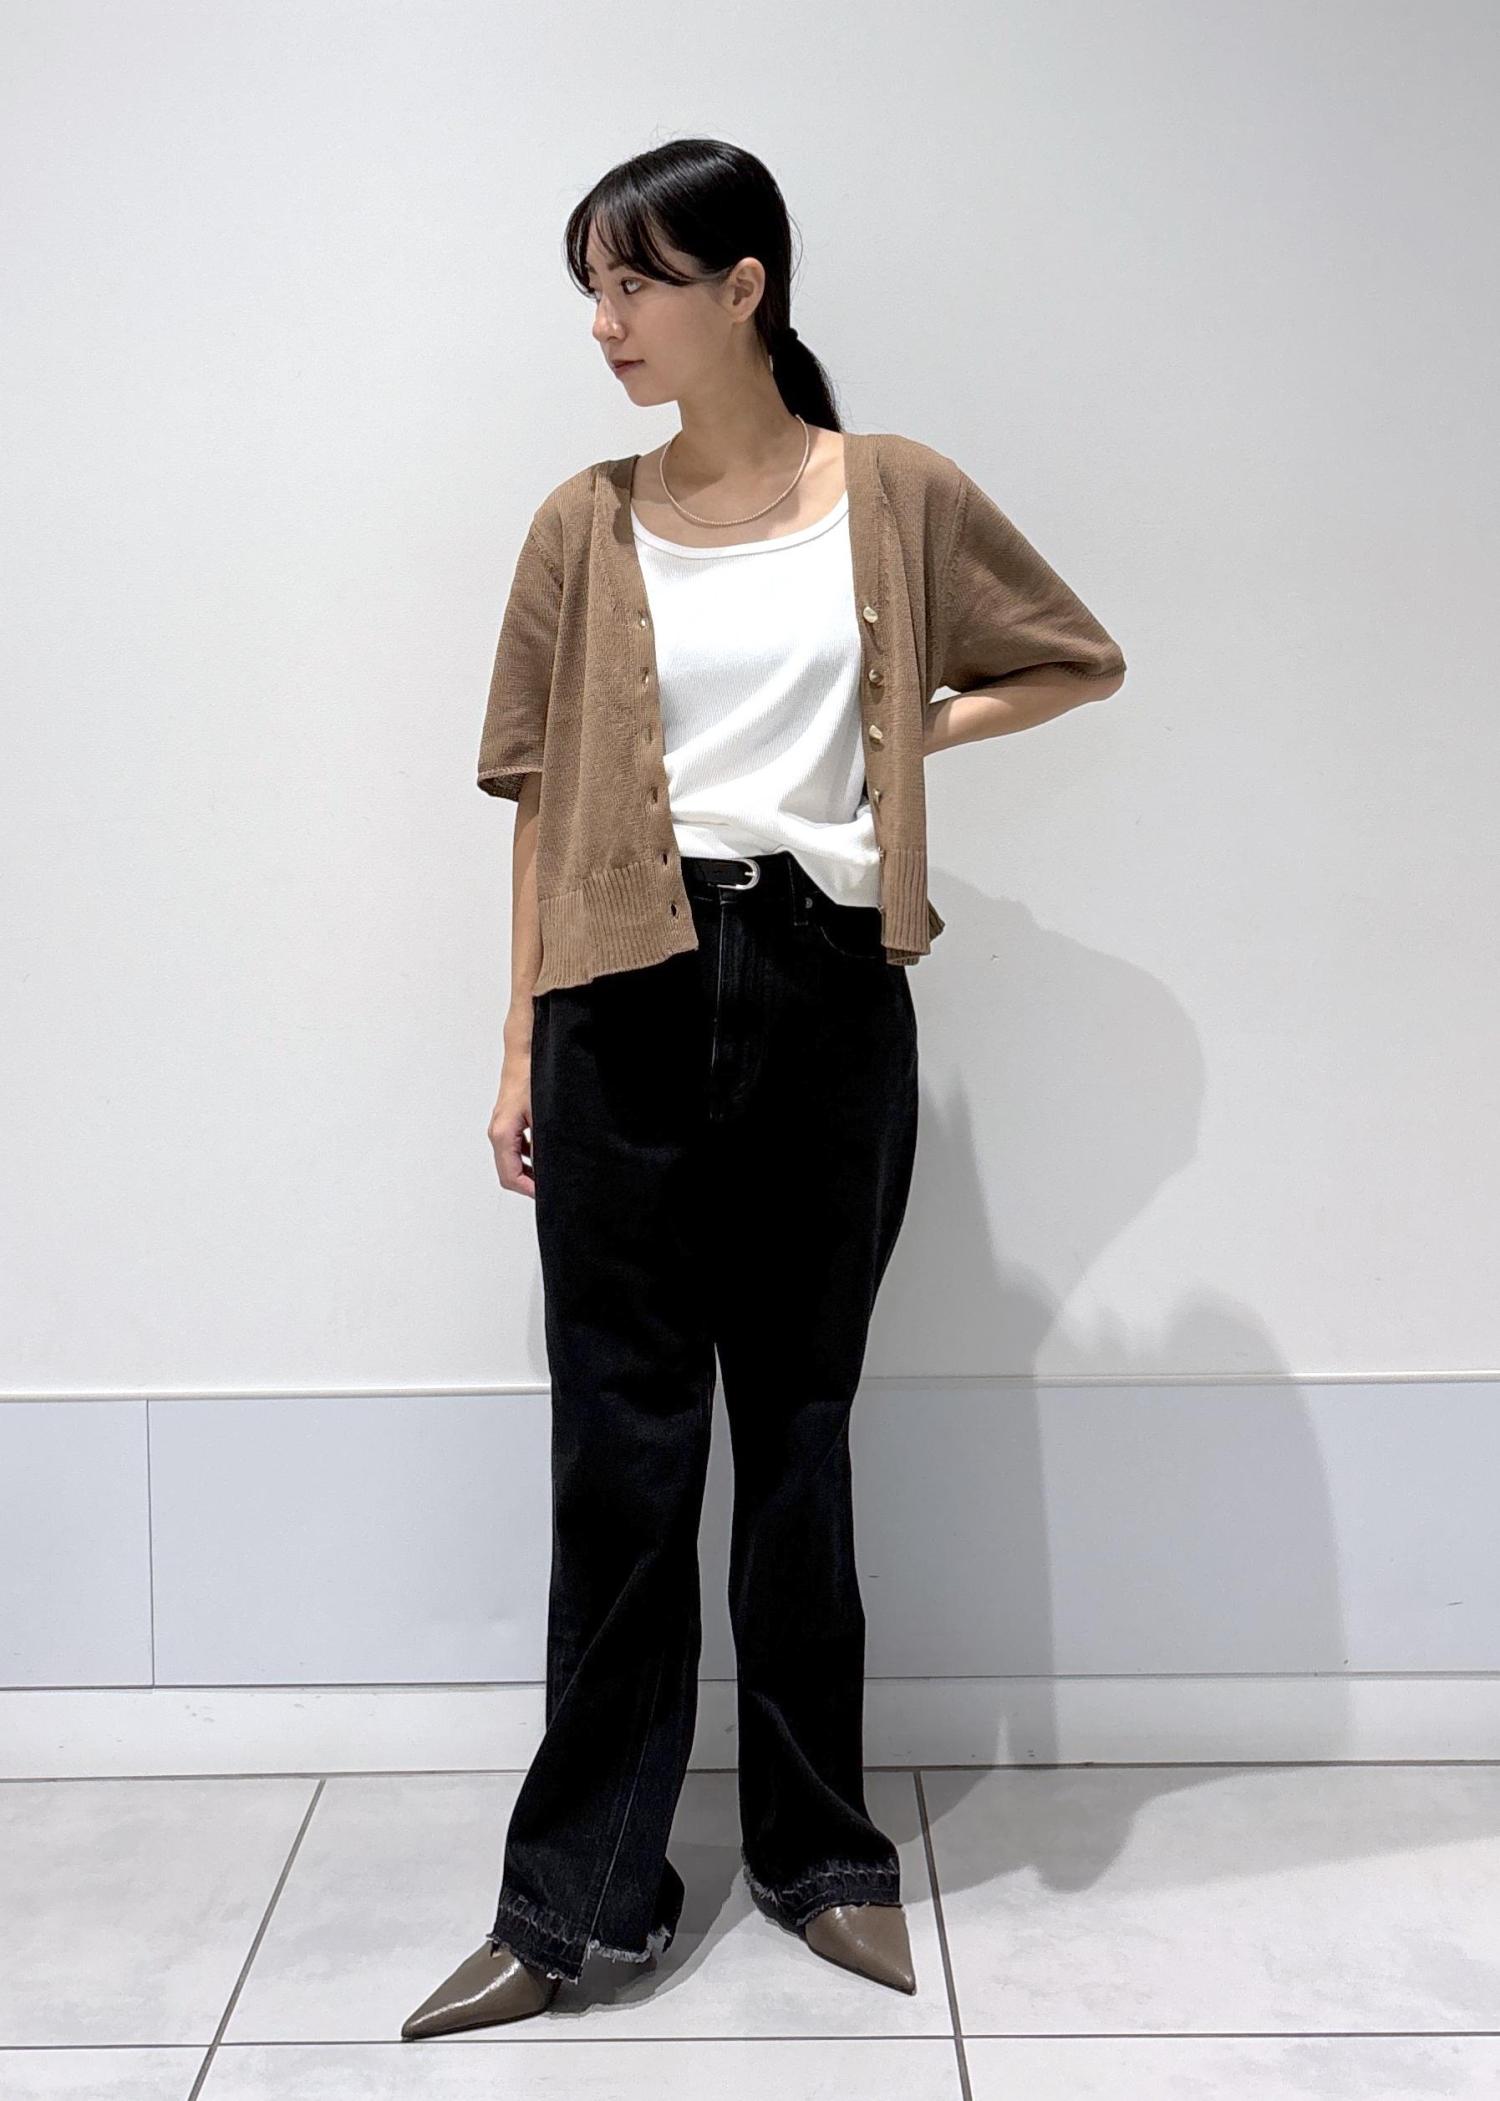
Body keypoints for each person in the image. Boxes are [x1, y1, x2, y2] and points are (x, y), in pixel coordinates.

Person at [402, 136, 1125, 2041]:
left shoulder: (891, 493)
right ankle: (572, 1900)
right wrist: (514, 1043)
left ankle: (821, 1856)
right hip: (618, 995)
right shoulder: (581, 523)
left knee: (799, 1439)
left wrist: (908, 730)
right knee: (620, 1456)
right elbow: (537, 798)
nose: (605, 322)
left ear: (747, 288)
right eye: (592, 285)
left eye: (637, 281)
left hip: (823, 990)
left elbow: (1075, 657)